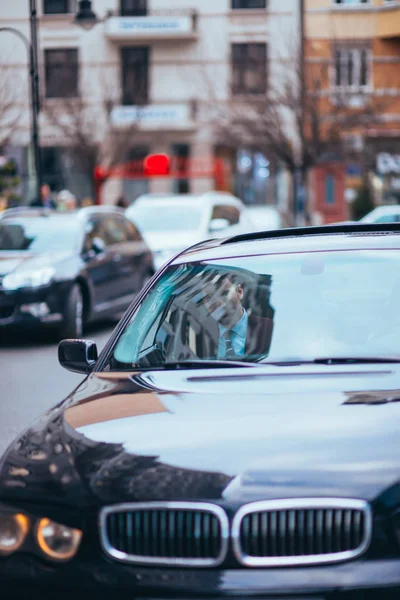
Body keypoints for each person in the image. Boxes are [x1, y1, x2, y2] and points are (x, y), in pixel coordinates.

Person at [202, 273, 274, 359]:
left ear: (239, 292)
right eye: (209, 298)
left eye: (224, 293)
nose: (218, 303)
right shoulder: (202, 333)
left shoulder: (267, 327)